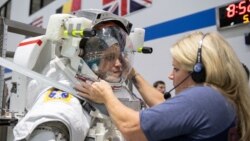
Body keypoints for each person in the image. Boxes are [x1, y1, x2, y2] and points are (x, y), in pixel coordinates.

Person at [76, 31, 250, 141]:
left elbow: (131, 128)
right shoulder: (220, 98)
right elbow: (165, 108)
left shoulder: (202, 98)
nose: (170, 76)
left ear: (198, 71)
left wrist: (106, 95)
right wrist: (134, 75)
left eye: (176, 69)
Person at [12, 9, 144, 141]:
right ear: (85, 58)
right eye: (110, 57)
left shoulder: (121, 92)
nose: (118, 64)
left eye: (120, 57)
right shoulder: (62, 106)